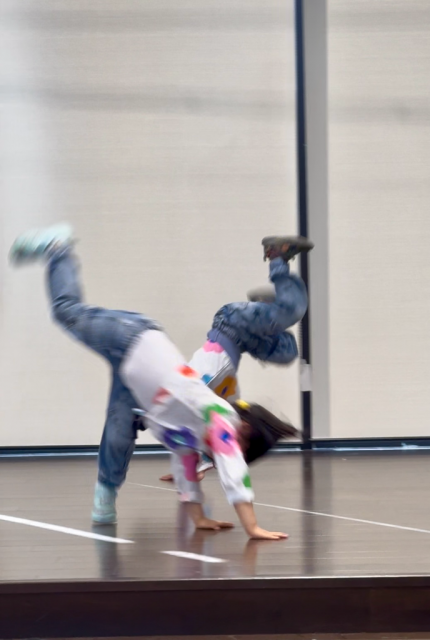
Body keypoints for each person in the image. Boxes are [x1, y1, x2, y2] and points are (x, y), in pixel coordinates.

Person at [9, 224, 298, 540]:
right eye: (242, 452)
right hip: (134, 340)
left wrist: (199, 518)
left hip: (132, 372)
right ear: (243, 434)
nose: (227, 457)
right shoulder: (220, 421)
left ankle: (105, 495)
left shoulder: (193, 439)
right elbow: (234, 471)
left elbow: (186, 475)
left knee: (119, 427)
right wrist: (252, 527)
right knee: (67, 312)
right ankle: (58, 249)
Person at [158, 234, 313, 482]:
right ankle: (264, 306)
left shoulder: (198, 389)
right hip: (243, 339)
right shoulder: (227, 405)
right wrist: (197, 467)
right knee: (288, 352)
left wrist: (184, 468)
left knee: (292, 310)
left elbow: (186, 422)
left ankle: (277, 256)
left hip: (231, 323)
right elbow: (211, 445)